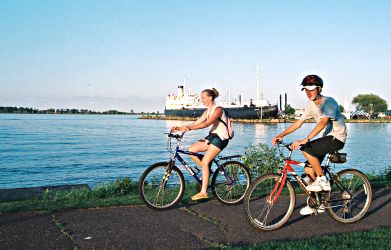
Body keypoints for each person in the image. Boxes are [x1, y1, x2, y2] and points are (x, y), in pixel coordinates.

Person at [272, 75, 347, 215]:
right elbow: (298, 123)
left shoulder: (329, 102)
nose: (308, 92)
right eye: (305, 89)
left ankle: (322, 180)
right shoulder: (311, 105)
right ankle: (318, 203)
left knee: (307, 149)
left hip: (337, 137)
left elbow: (323, 123)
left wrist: (305, 139)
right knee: (307, 170)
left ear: (319, 89)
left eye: (311, 89)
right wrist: (280, 135)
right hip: (325, 139)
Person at [172, 88, 230, 201]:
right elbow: (197, 122)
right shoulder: (207, 110)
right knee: (191, 150)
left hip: (221, 138)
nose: (201, 100)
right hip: (212, 136)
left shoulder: (218, 110)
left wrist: (188, 128)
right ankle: (208, 169)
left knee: (204, 162)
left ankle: (203, 192)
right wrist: (179, 128)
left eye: (203, 98)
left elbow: (207, 124)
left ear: (210, 97)